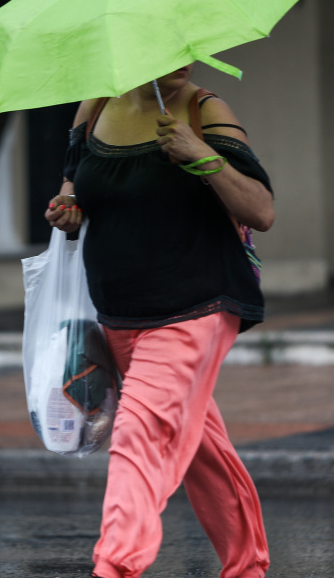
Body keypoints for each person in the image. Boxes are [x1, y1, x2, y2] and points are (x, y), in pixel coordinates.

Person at [46, 63, 273, 578]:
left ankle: (115, 568)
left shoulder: (205, 110)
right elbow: (74, 184)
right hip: (120, 318)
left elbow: (260, 210)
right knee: (202, 449)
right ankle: (248, 567)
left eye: (184, 44)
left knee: (138, 433)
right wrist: (69, 205)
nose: (182, 59)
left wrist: (201, 155)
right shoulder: (96, 106)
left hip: (194, 310)